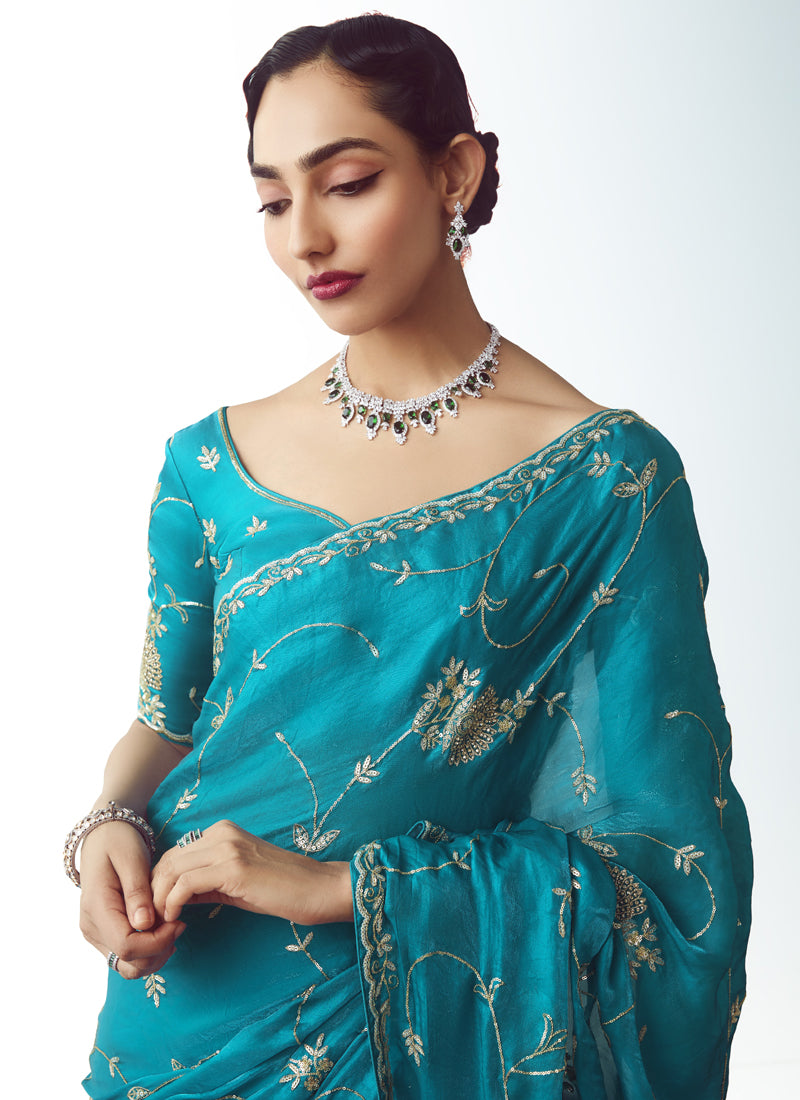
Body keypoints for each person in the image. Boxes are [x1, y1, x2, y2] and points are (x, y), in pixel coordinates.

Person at [68, 14, 751, 1099]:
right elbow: (166, 722)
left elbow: (664, 881)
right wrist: (107, 826)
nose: (305, 238)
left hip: (415, 1029)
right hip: (181, 1018)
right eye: (272, 201)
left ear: (454, 174)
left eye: (346, 183)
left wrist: (339, 887)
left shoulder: (605, 483)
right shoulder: (207, 465)